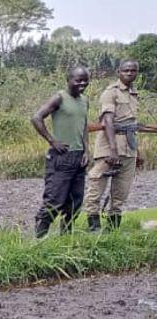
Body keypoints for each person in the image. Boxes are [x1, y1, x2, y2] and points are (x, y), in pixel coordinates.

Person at [85, 59, 148, 231]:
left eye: (133, 71)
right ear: (119, 72)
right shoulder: (110, 92)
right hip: (109, 146)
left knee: (121, 191)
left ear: (136, 73)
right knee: (96, 186)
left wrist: (138, 152)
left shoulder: (133, 94)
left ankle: (113, 230)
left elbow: (131, 126)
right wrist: (113, 150)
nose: (129, 73)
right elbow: (108, 121)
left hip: (129, 147)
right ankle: (94, 228)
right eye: (126, 70)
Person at [30, 66, 90, 237]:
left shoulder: (85, 100)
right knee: (54, 201)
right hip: (62, 157)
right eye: (78, 80)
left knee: (75, 203)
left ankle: (65, 240)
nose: (82, 83)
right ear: (69, 79)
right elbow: (36, 118)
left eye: (85, 80)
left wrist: (86, 150)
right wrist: (52, 140)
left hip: (79, 157)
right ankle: (39, 240)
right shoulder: (59, 98)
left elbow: (84, 126)